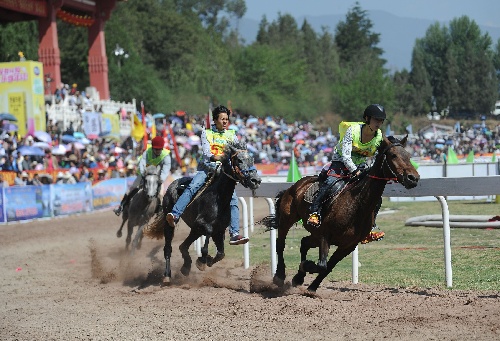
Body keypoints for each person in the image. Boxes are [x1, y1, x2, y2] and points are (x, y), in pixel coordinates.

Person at [166, 105, 249, 245]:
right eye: (222, 119)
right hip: (207, 169)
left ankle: (234, 234)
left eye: (226, 119)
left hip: (224, 173)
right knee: (192, 187)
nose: (225, 121)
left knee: (234, 199)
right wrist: (221, 158)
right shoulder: (206, 133)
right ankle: (175, 214)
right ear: (215, 120)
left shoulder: (232, 135)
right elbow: (208, 154)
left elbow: (237, 152)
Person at [307, 104, 387, 244]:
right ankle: (315, 212)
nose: (378, 124)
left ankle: (370, 228)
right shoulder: (353, 131)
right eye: (376, 120)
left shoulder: (378, 135)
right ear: (367, 118)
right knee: (330, 183)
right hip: (341, 162)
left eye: (381, 121)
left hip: (360, 165)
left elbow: (375, 156)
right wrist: (354, 170)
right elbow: (345, 155)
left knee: (374, 196)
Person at [113, 136, 171, 216]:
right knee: (132, 188)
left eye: (159, 149)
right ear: (153, 148)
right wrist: (143, 174)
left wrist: (161, 179)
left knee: (161, 194)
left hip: (158, 176)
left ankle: (159, 211)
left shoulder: (166, 156)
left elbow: (166, 169)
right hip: (145, 174)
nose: (158, 151)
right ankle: (121, 207)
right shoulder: (147, 152)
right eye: (156, 149)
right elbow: (142, 164)